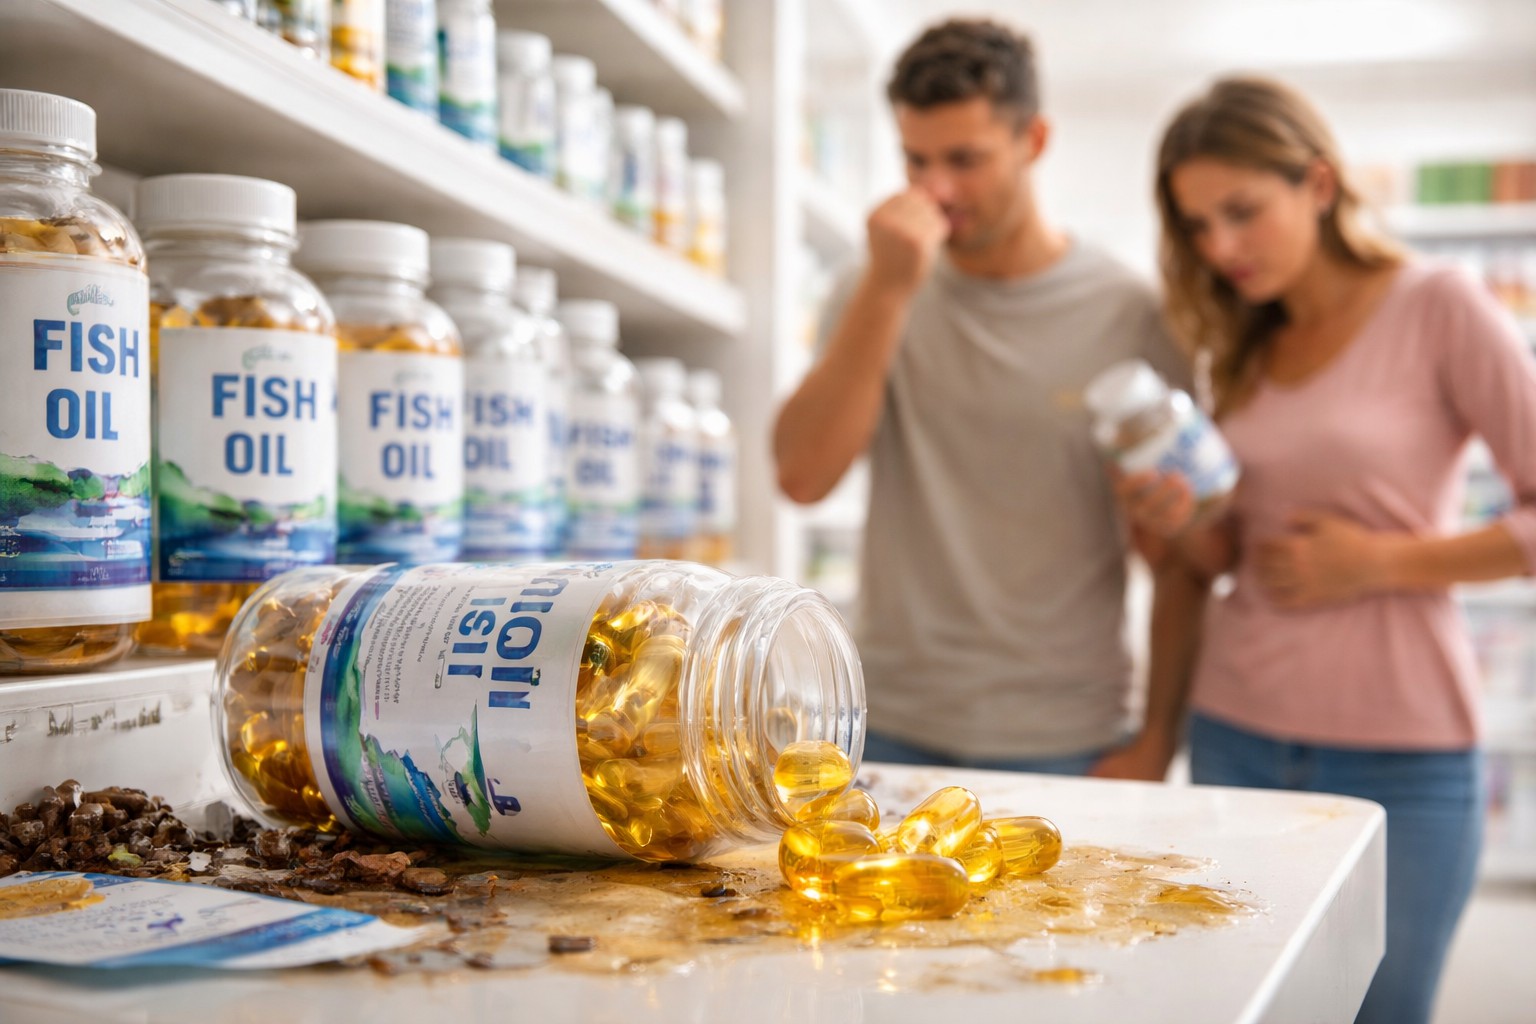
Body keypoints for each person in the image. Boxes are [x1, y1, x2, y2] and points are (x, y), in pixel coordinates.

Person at [1123, 76, 1536, 1024]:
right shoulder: (1240, 345)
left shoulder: (1439, 305)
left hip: (1402, 756)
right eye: (1196, 225)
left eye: (1241, 212)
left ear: (1317, 183)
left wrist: (1382, 564)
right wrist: (1171, 518)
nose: (1220, 247)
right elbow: (1224, 558)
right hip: (1234, 734)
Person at [773, 18, 1205, 777]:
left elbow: (1181, 557)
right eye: (916, 160)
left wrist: (1158, 741)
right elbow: (802, 476)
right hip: (887, 718)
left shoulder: (1130, 313)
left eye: (964, 160)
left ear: (1033, 140)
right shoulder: (873, 286)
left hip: (1067, 733)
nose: (935, 189)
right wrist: (888, 288)